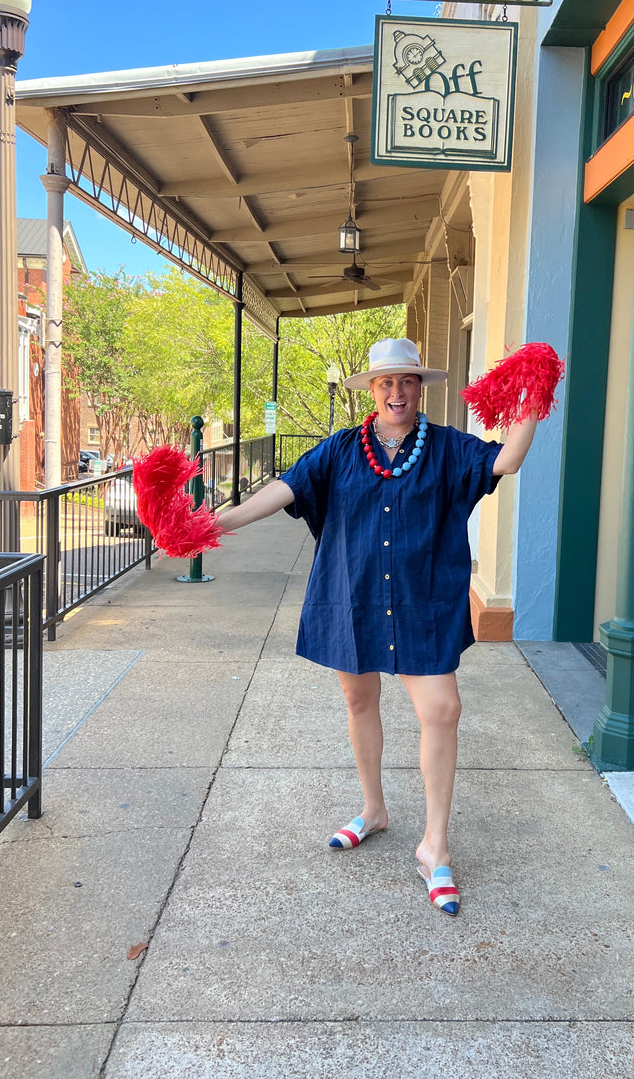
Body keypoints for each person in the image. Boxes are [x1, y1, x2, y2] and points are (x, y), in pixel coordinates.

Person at [216, 338, 539, 916]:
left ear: (420, 388)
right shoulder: (340, 450)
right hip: (355, 597)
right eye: (386, 382)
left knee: (442, 709)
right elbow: (284, 489)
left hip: (422, 603)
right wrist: (220, 523)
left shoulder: (445, 448)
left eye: (407, 381)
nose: (397, 391)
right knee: (358, 700)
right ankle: (374, 809)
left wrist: (533, 394)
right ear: (371, 390)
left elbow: (506, 460)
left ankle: (434, 846)